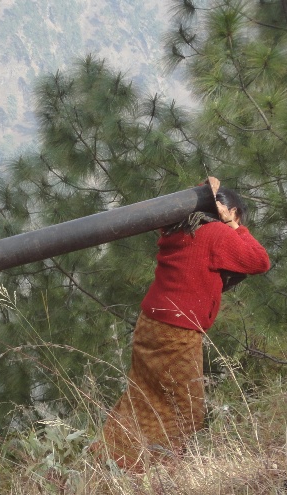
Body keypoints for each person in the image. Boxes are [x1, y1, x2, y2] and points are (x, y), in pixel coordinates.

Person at [98, 177, 270, 471]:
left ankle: (106, 461)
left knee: (143, 399)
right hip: (176, 333)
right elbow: (259, 260)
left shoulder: (178, 228)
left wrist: (206, 194)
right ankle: (150, 472)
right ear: (231, 211)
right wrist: (234, 225)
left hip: (151, 325)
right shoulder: (215, 233)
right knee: (185, 411)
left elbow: (187, 209)